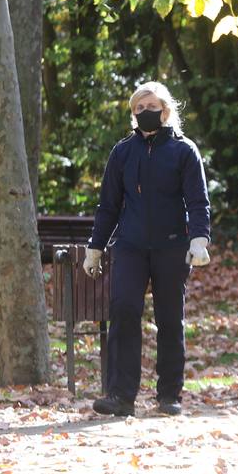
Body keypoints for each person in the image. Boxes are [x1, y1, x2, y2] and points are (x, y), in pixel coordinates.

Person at [83, 81, 212, 417]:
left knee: (170, 318)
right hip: (130, 246)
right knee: (124, 310)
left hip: (172, 247)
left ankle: (169, 394)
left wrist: (199, 240)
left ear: (165, 111)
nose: (145, 113)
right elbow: (108, 206)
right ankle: (121, 396)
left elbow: (198, 202)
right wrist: (95, 247)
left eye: (151, 107)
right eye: (138, 109)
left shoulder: (184, 151)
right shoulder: (122, 152)